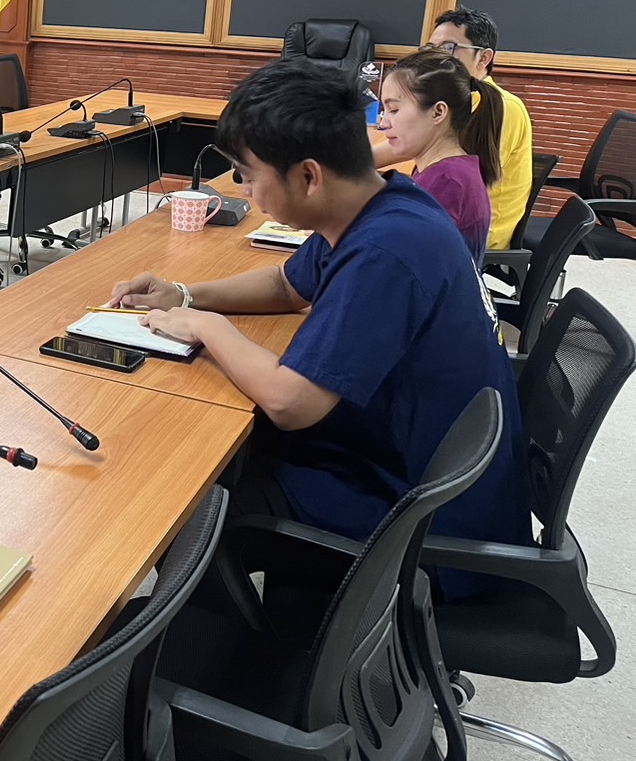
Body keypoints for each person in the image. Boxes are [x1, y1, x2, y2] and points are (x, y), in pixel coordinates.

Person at [108, 61, 527, 599]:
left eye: (250, 174)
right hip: (400, 461)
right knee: (215, 454)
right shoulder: (384, 202)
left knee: (193, 502)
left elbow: (291, 401)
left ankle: (214, 660)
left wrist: (208, 327)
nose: (245, 188)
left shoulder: (385, 250)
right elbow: (289, 286)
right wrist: (184, 293)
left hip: (421, 520)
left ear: (308, 176)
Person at [375, 7, 533, 251]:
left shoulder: (502, 107)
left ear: (484, 57)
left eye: (448, 48)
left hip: (474, 234)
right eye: (431, 49)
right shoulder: (460, 104)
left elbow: (456, 187)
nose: (438, 58)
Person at [378, 47, 503, 263]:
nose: (383, 123)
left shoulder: (447, 182)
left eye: (394, 110)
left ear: (438, 112)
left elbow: (402, 263)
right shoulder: (443, 168)